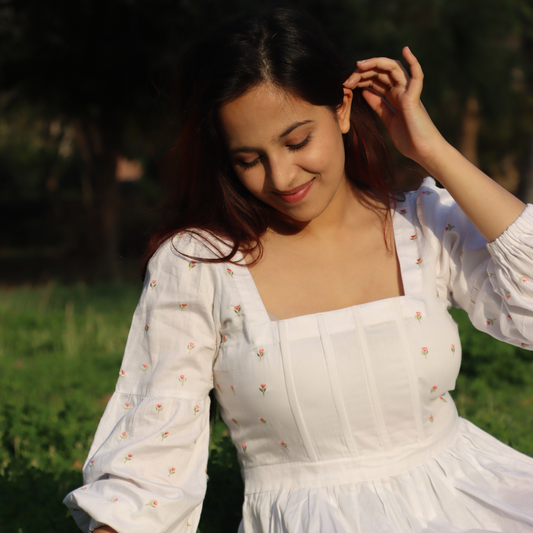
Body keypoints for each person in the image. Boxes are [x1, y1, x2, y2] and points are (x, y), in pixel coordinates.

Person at [64, 6, 533, 533]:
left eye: (296, 141)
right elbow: (152, 454)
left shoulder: (421, 222)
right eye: (249, 159)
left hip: (471, 499)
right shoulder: (199, 263)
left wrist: (432, 150)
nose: (282, 176)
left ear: (342, 108)